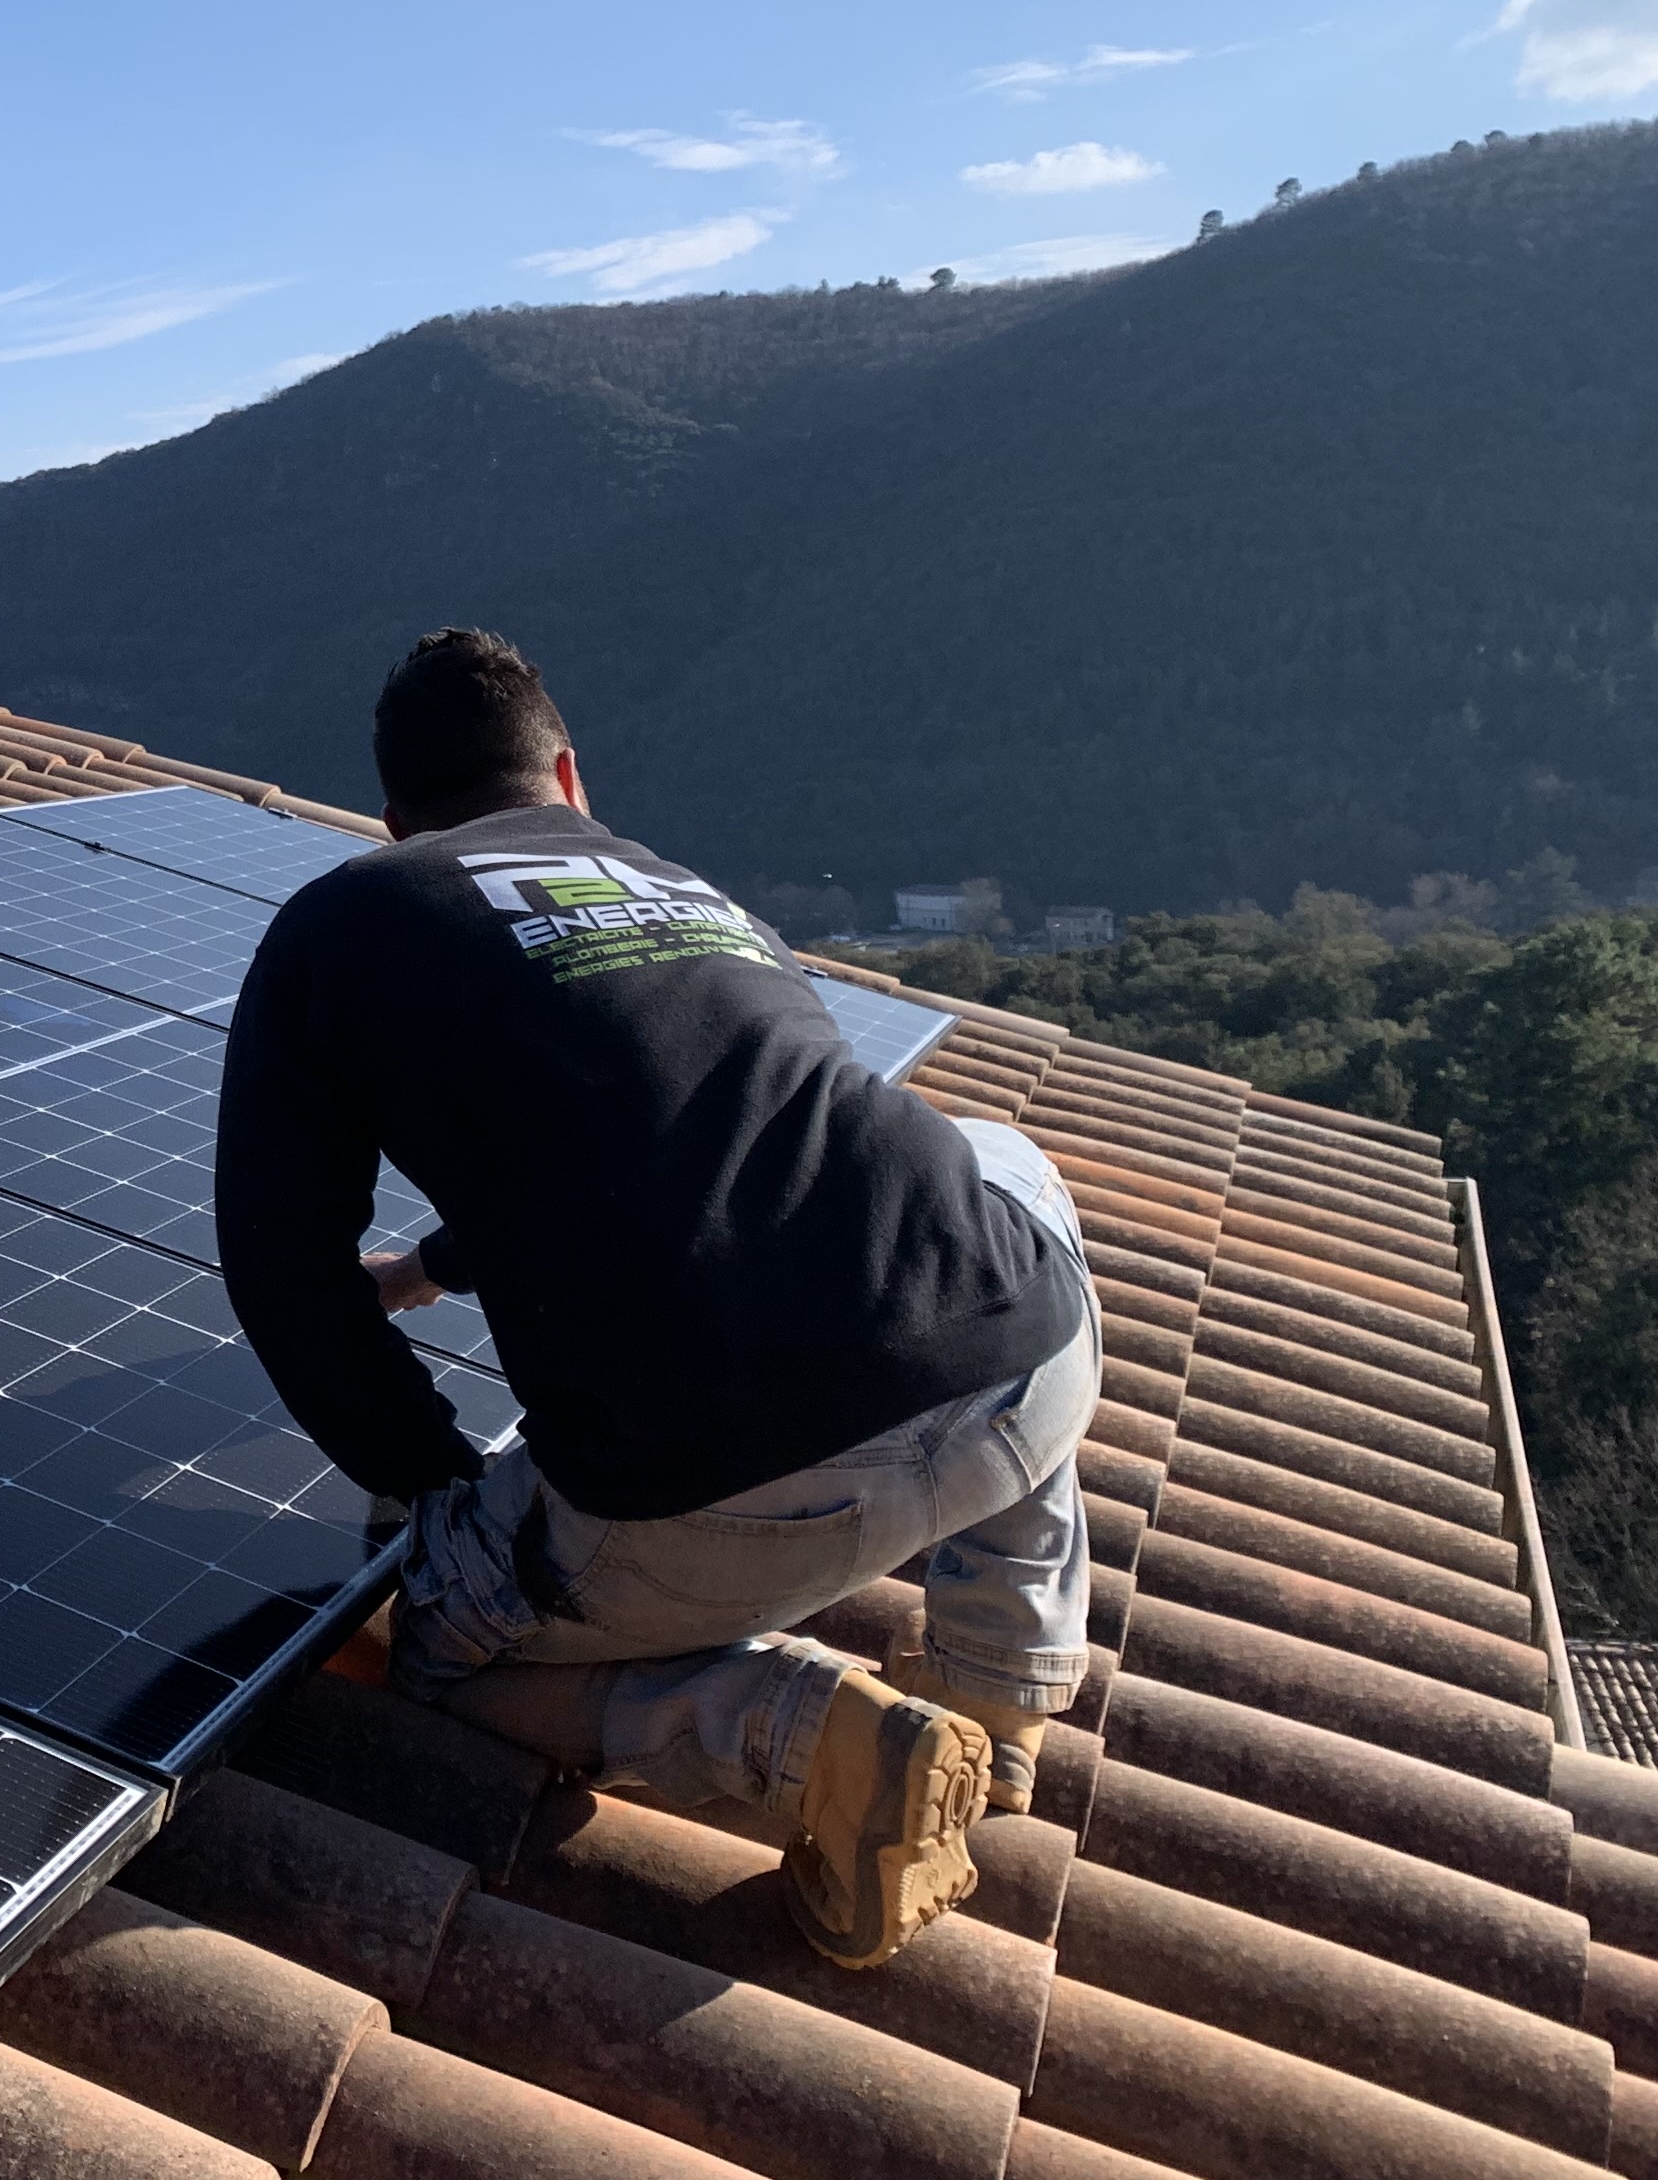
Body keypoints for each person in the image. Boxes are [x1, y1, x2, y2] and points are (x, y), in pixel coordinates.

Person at [213, 628, 1100, 1967]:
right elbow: (702, 1145)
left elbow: (278, 1261)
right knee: (992, 1161)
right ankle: (1004, 1692)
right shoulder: (674, 884)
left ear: (391, 821)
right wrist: (439, 1268)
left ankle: (813, 1746)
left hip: (737, 1486)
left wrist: (436, 1488)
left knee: (430, 1650)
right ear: (567, 776)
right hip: (1026, 1365)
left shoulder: (345, 919)